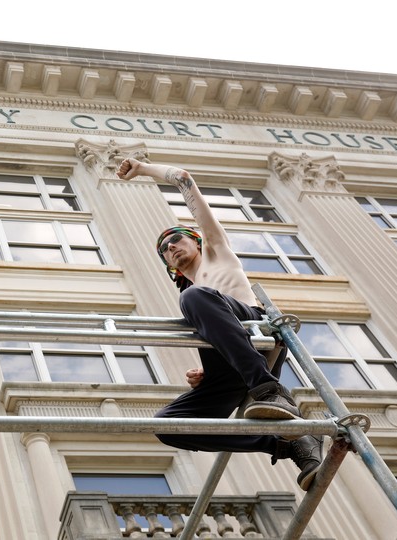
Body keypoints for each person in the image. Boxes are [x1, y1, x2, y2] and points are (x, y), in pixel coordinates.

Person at [116, 158, 323, 491]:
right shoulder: (192, 296)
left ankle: (270, 392)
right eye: (165, 250)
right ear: (170, 267)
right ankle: (289, 445)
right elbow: (214, 327)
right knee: (168, 426)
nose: (171, 246)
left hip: (257, 331)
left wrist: (142, 168)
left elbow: (184, 176)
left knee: (195, 298)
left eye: (177, 239)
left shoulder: (217, 254)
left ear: (197, 242)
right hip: (235, 362)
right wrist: (205, 374)